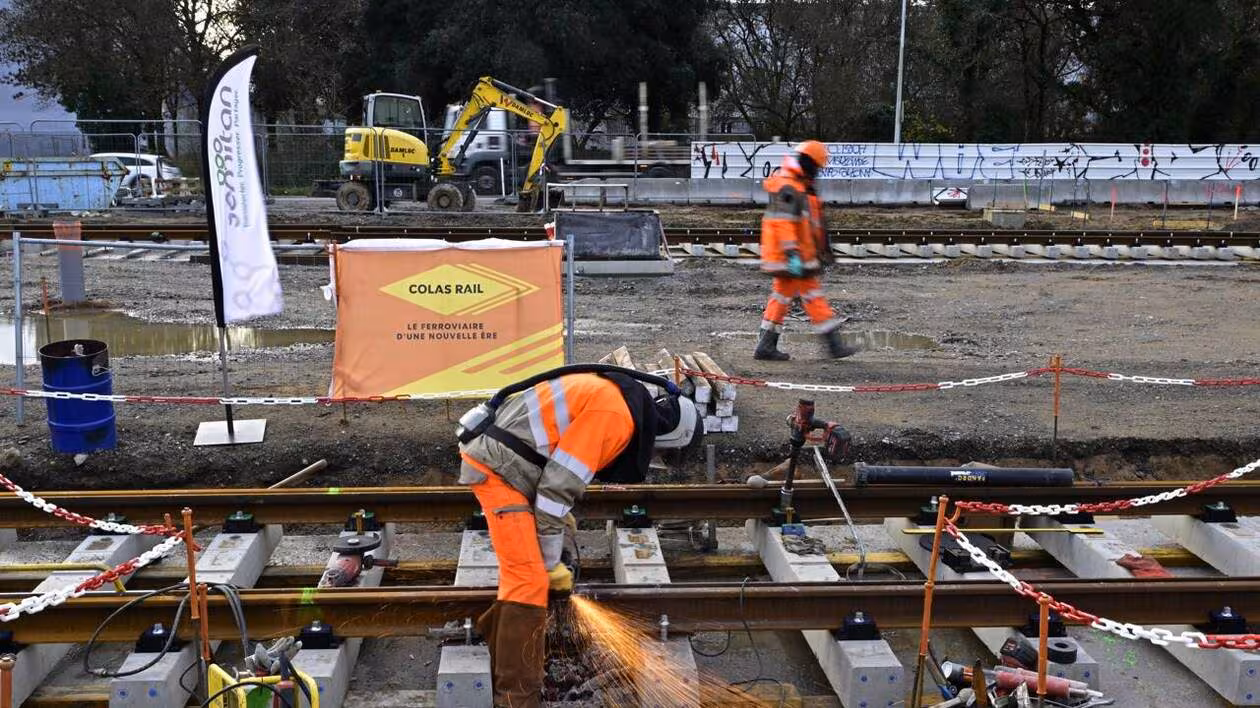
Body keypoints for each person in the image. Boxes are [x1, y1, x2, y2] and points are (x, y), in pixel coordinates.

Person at [456, 365, 702, 707]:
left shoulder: (617, 400)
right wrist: (550, 561)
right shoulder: (616, 417)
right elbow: (557, 489)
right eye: (664, 454)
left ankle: (500, 638)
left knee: (534, 565)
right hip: (499, 467)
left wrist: (556, 530)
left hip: (511, 460)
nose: (657, 457)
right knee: (528, 580)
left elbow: (556, 472)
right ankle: (516, 698)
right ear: (670, 435)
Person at [754, 140, 857, 361]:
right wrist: (792, 253)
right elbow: (784, 222)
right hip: (790, 255)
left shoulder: (798, 184)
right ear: (809, 164)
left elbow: (811, 223)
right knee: (812, 295)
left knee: (781, 296)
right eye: (817, 167)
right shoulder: (790, 185)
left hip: (791, 255)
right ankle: (833, 345)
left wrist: (823, 250)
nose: (818, 172)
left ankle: (765, 346)